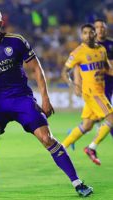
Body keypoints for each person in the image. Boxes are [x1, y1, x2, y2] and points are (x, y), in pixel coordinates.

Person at [0, 7, 93, 197]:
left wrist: (45, 98)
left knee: (47, 138)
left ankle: (77, 182)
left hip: (22, 99)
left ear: (0, 24)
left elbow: (37, 69)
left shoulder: (16, 42)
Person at [61, 23, 113, 166]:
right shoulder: (78, 52)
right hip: (92, 93)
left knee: (87, 125)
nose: (88, 35)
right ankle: (91, 148)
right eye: (85, 33)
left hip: (100, 91)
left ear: (95, 34)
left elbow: (108, 69)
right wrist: (72, 84)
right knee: (111, 118)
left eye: (91, 32)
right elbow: (64, 71)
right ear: (81, 35)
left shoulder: (102, 50)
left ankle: (61, 148)